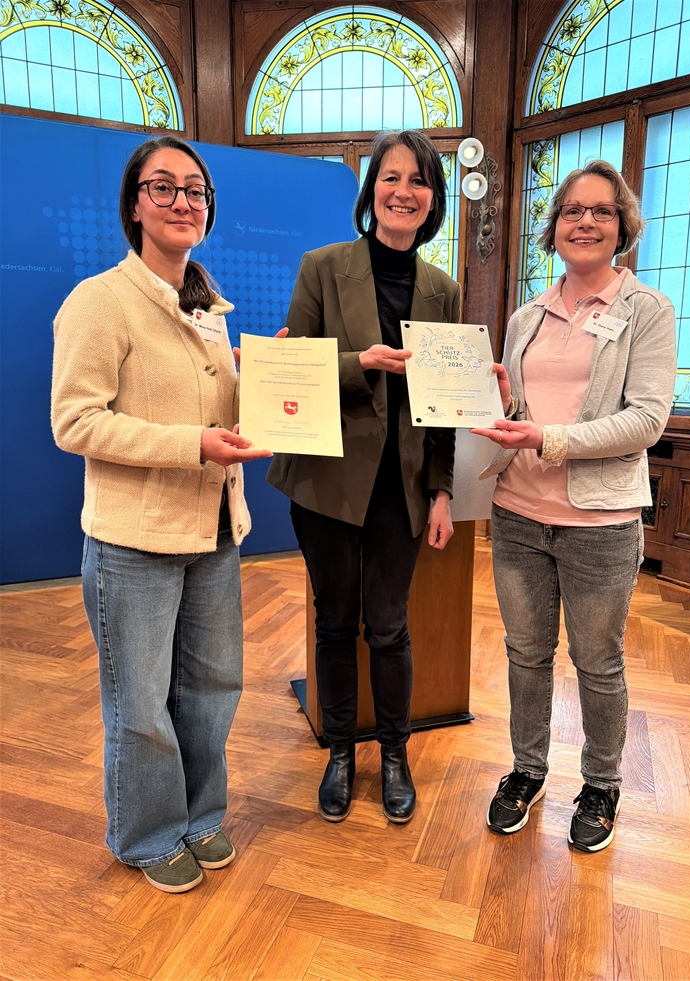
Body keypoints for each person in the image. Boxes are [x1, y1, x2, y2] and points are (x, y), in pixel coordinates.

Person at [51, 136, 275, 892]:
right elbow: (75, 421)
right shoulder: (100, 300)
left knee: (213, 687)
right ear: (135, 204)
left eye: (196, 190)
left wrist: (272, 379)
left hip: (213, 530)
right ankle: (146, 834)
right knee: (140, 703)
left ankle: (201, 814)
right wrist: (195, 443)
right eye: (165, 187)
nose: (183, 201)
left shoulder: (208, 307)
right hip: (133, 540)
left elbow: (218, 416)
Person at [472, 160, 676, 852]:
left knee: (598, 661)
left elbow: (646, 421)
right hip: (518, 513)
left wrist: (546, 436)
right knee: (526, 654)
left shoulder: (645, 309)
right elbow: (520, 412)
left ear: (623, 227)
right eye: (571, 211)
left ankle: (602, 783)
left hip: (601, 524)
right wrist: (498, 404)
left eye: (601, 211)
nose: (585, 222)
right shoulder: (526, 315)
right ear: (553, 227)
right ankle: (527, 770)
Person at [268, 130, 460, 824]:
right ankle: (341, 751)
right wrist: (364, 364)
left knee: (389, 625)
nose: (403, 191)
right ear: (371, 189)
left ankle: (396, 753)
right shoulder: (322, 267)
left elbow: (447, 405)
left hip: (401, 486)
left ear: (432, 199)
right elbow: (297, 374)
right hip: (325, 479)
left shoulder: (444, 289)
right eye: (391, 177)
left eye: (418, 180)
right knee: (334, 620)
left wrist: (442, 490)